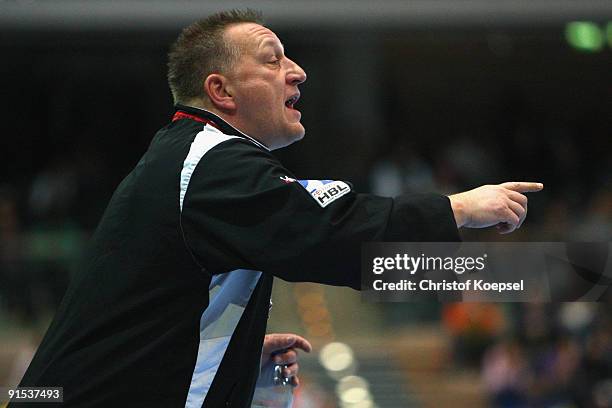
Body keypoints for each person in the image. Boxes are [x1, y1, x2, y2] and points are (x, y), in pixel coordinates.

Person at [14, 9, 543, 407]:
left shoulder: (193, 161)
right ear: (219, 90)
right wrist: (457, 210)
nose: (298, 72)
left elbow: (149, 311)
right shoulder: (208, 160)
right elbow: (331, 237)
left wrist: (236, 353)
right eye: (273, 59)